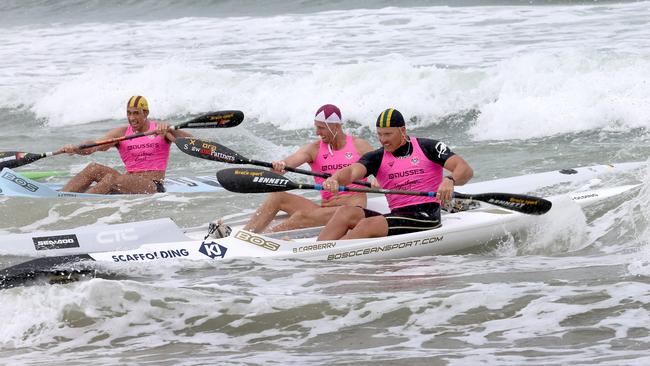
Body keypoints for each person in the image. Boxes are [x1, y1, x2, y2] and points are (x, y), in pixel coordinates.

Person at [317, 108, 473, 240]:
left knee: (366, 225)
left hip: (427, 215)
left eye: (388, 134)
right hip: (397, 215)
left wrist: (450, 180)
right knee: (346, 212)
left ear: (402, 130)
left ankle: (336, 260)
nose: (382, 140)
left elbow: (464, 169)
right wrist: (335, 179)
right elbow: (352, 171)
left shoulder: (428, 147)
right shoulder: (376, 157)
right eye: (379, 134)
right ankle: (316, 253)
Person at [223, 104, 373, 234]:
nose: (317, 132)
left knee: (302, 216)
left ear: (336, 127)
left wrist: (379, 183)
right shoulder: (313, 149)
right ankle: (246, 233)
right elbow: (287, 164)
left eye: (321, 128)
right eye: (316, 127)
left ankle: (263, 238)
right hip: (324, 208)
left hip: (351, 209)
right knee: (278, 197)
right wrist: (280, 166)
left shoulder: (360, 146)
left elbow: (382, 170)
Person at [58, 95, 192, 194]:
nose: (132, 118)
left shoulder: (161, 129)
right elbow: (94, 145)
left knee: (111, 178)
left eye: (136, 113)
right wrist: (76, 148)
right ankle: (61, 197)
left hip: (152, 185)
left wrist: (172, 129)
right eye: (129, 113)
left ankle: (80, 203)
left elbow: (191, 143)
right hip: (126, 180)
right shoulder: (122, 133)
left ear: (145, 113)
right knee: (93, 168)